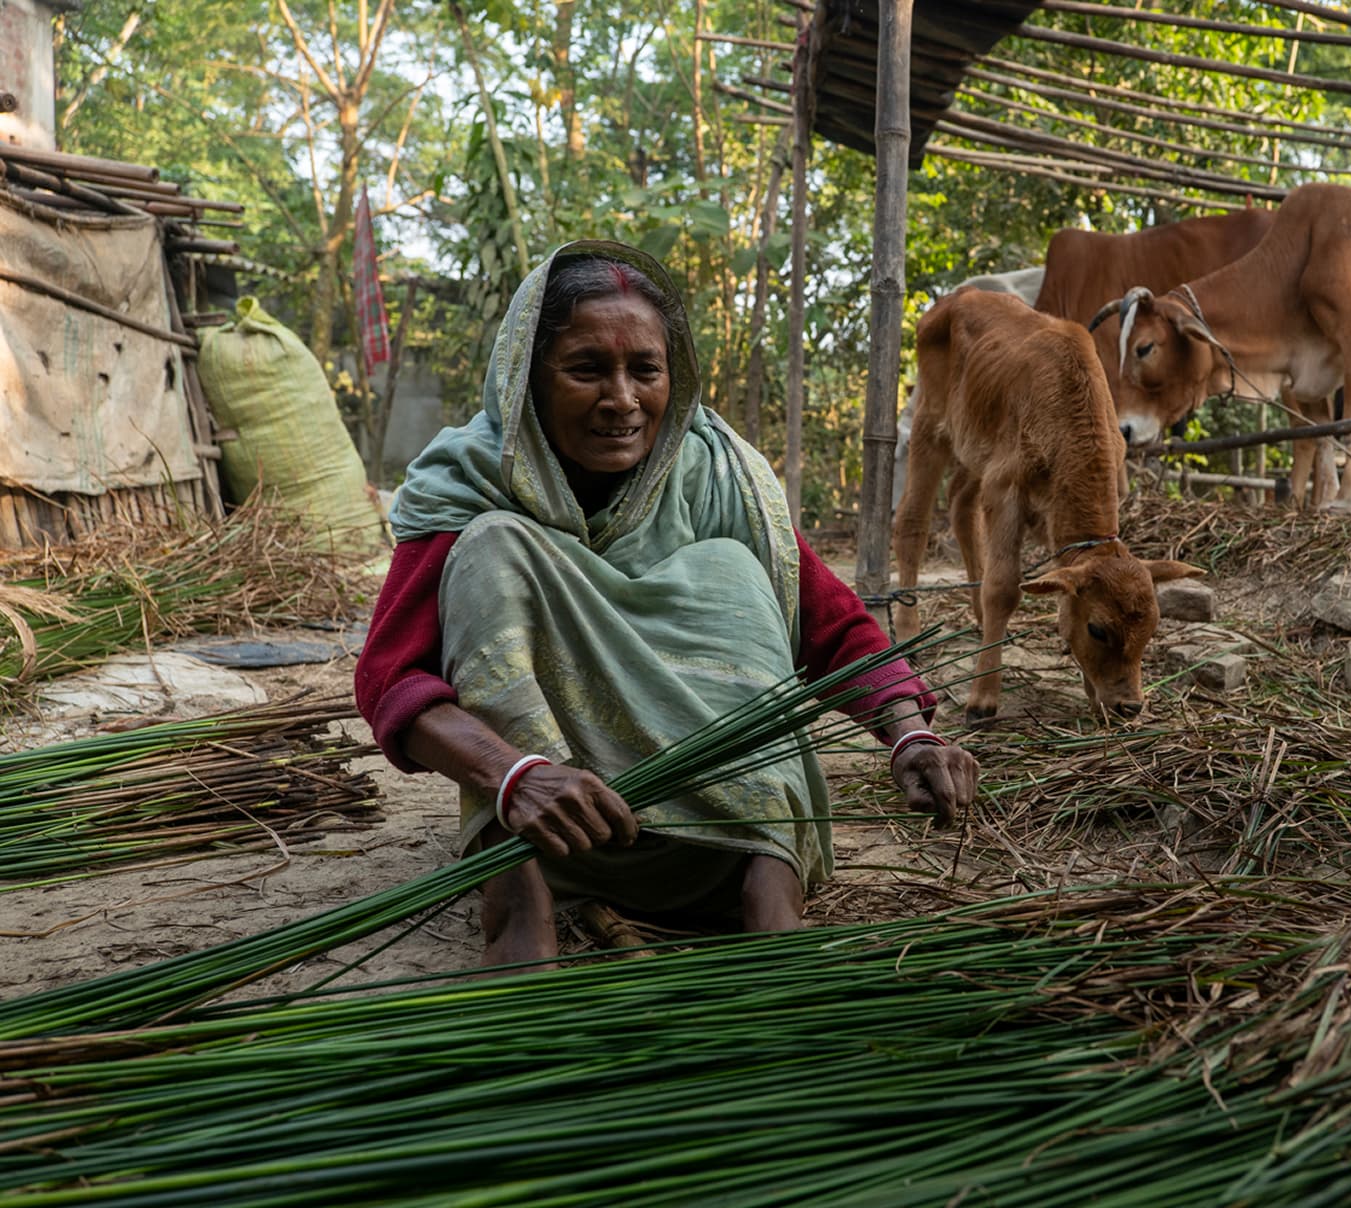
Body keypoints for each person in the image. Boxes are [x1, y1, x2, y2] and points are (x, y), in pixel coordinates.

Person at [355, 241, 977, 966]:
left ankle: (770, 891)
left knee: (731, 570)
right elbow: (390, 679)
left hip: (721, 841)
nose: (622, 400)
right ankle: (519, 906)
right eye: (587, 369)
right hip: (559, 829)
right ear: (527, 378)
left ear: (672, 378)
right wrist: (514, 776)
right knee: (493, 548)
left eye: (644, 369)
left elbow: (831, 625)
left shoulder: (717, 476)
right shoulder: (470, 481)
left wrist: (909, 733)